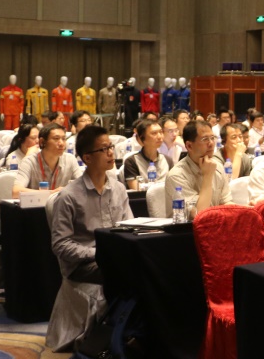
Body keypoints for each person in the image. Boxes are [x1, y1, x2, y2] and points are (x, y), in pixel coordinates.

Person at [50, 125, 133, 284]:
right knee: (124, 270)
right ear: (87, 158)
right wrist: (98, 253)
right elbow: (60, 244)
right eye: (104, 149)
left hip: (114, 257)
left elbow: (129, 227)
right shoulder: (69, 196)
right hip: (82, 266)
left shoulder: (119, 188)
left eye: (110, 147)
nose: (111, 152)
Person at [166, 120, 232, 216]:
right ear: (189, 146)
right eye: (205, 139)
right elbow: (199, 214)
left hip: (216, 222)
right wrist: (208, 176)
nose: (211, 143)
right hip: (189, 225)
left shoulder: (218, 166)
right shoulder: (176, 175)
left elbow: (226, 203)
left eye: (212, 138)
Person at [13, 124, 81, 196]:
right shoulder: (29, 162)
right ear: (42, 141)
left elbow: (83, 187)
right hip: (38, 203)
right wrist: (52, 193)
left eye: (64, 139)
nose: (61, 143)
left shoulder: (70, 159)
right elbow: (16, 192)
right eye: (56, 138)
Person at [121, 119, 170, 190]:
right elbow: (136, 189)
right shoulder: (131, 161)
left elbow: (173, 186)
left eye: (161, 132)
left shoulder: (168, 160)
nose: (160, 137)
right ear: (141, 138)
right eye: (154, 133)